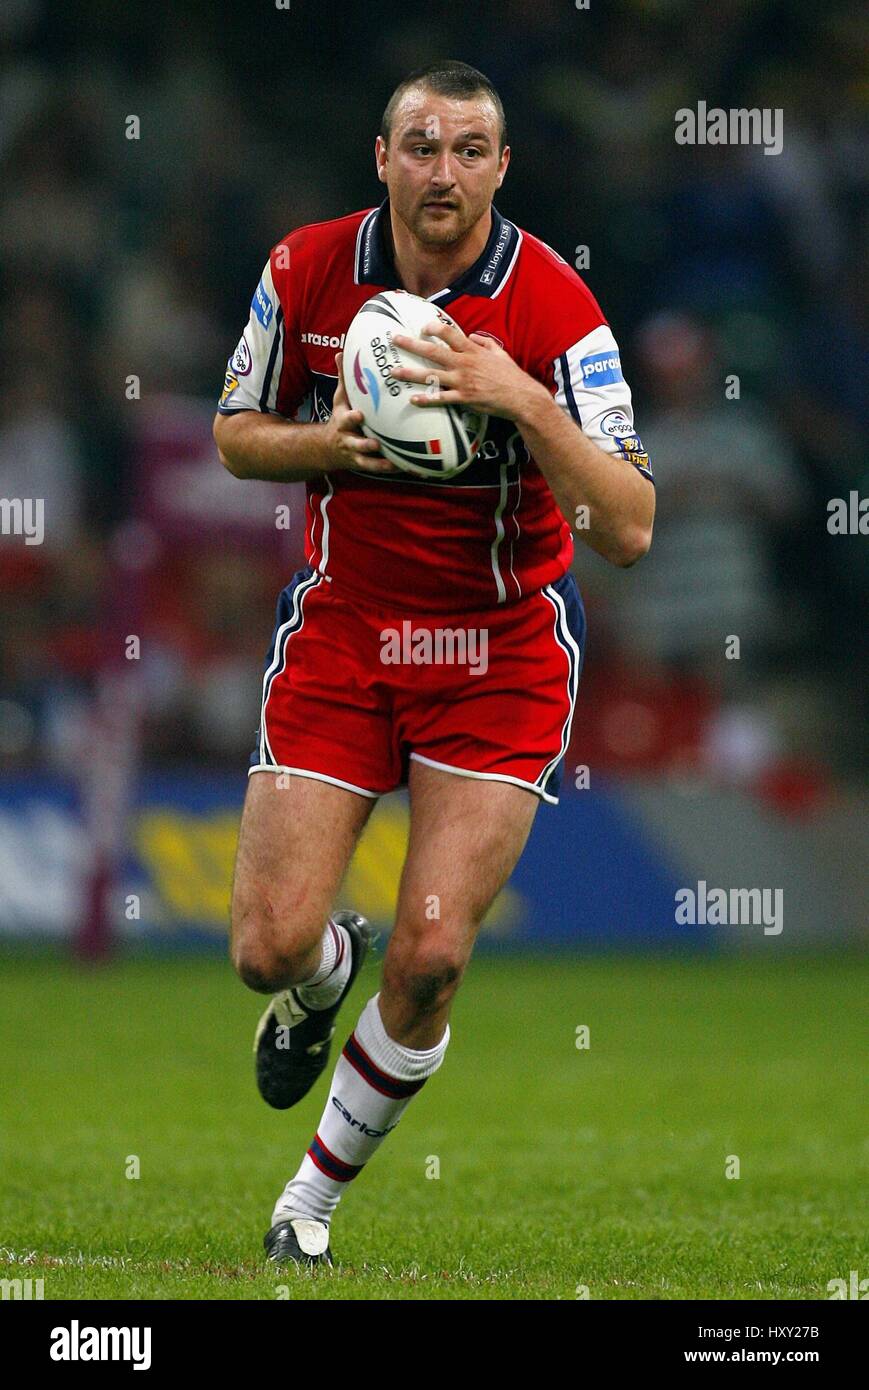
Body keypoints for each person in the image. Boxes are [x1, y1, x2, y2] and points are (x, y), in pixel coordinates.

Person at [213, 60, 654, 1267]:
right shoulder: (305, 267)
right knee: (265, 946)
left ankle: (306, 1205)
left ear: (501, 170)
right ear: (382, 158)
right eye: (421, 146)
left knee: (435, 952)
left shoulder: (556, 310)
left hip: (495, 651)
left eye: (468, 150)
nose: (442, 171)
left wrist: (523, 401)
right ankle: (321, 975)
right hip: (347, 634)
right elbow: (232, 435)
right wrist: (330, 446)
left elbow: (626, 525)